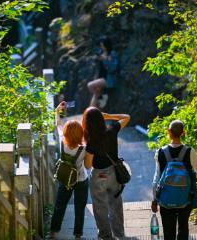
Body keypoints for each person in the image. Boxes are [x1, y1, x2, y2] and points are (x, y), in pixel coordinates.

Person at [151, 120, 197, 240]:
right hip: (185, 199)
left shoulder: (160, 152)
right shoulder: (189, 151)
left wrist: (154, 200)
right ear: (183, 133)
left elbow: (157, 178)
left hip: (165, 200)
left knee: (168, 232)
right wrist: (191, 178)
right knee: (183, 229)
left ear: (168, 132)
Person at [82, 107, 130, 240]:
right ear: (100, 119)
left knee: (100, 207)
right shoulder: (112, 130)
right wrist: (109, 115)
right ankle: (119, 234)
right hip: (114, 173)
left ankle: (106, 235)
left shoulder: (91, 142)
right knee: (116, 205)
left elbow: (87, 165)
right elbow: (126, 117)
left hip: (98, 176)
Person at [49, 101, 89, 240]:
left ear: (66, 133)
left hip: (65, 178)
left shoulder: (62, 141)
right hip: (81, 180)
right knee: (79, 208)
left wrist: (57, 111)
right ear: (80, 133)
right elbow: (88, 166)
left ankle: (53, 233)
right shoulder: (84, 148)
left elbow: (58, 124)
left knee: (60, 205)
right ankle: (78, 235)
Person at [88, 37, 119, 109]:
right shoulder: (101, 52)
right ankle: (93, 114)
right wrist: (98, 58)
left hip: (108, 79)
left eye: (103, 46)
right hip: (100, 76)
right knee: (95, 96)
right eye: (101, 46)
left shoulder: (112, 54)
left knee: (90, 85)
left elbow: (112, 68)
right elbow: (97, 61)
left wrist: (105, 60)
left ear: (107, 45)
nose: (101, 47)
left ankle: (102, 96)